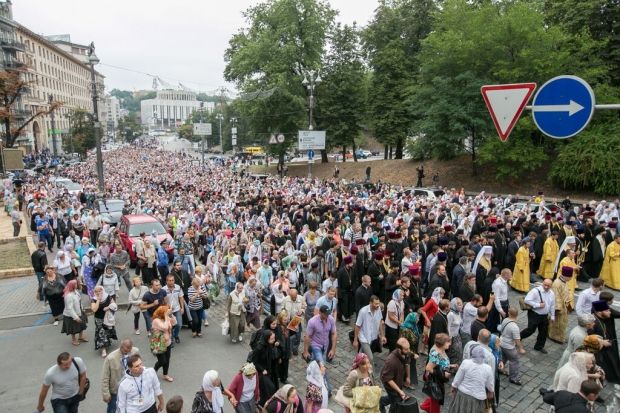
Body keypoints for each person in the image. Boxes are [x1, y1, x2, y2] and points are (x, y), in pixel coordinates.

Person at [448, 346, 494, 413]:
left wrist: (453, 387)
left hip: (462, 395)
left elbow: (458, 378)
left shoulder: (466, 362)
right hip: (477, 398)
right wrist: (491, 392)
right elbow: (490, 385)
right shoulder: (488, 368)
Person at [303, 305, 337, 393]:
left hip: (325, 346)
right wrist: (305, 351)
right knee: (322, 366)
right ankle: (328, 389)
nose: (327, 316)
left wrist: (333, 349)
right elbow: (307, 336)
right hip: (316, 346)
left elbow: (334, 334)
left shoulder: (331, 319)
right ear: (320, 313)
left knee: (316, 362)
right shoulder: (312, 322)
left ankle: (311, 373)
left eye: (328, 314)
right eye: (325, 314)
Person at [101, 338, 140, 413]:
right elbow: (105, 377)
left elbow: (139, 366)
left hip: (132, 388)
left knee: (133, 407)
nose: (127, 352)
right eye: (125, 350)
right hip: (116, 392)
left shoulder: (135, 352)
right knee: (113, 409)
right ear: (121, 346)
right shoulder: (110, 358)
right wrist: (105, 394)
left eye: (129, 350)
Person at [420, 333, 453, 413]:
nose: (450, 344)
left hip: (438, 379)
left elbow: (440, 363)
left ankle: (424, 406)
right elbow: (428, 368)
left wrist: (450, 365)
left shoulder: (439, 349)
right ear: (442, 344)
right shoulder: (437, 354)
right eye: (448, 342)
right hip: (435, 380)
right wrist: (443, 374)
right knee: (436, 398)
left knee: (434, 397)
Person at [520, 278, 555, 354]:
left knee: (543, 332)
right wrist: (538, 305)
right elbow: (527, 300)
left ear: (551, 286)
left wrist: (552, 316)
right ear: (542, 283)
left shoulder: (552, 293)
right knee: (530, 330)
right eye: (545, 285)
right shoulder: (535, 291)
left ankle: (539, 346)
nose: (546, 287)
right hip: (534, 314)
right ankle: (518, 337)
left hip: (544, 315)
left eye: (548, 286)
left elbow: (552, 305)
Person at [589, 299, 620, 383]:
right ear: (599, 312)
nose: (610, 312)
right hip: (599, 351)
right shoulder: (594, 323)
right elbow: (589, 340)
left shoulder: (602, 317)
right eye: (607, 311)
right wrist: (602, 343)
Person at [379, 337, 411, 413]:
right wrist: (400, 391)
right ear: (399, 349)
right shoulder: (391, 361)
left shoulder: (406, 352)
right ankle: (381, 403)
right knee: (396, 401)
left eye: (409, 348)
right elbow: (388, 379)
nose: (409, 351)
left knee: (394, 398)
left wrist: (408, 377)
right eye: (406, 349)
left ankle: (380, 401)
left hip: (398, 379)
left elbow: (407, 363)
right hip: (389, 383)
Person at [353, 295, 386, 366]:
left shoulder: (379, 309)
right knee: (370, 358)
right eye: (376, 304)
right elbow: (357, 325)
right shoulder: (363, 311)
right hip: (364, 337)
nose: (377, 305)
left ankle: (356, 364)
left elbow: (380, 322)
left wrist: (382, 335)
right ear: (370, 303)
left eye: (378, 303)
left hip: (372, 337)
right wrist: (355, 340)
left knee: (362, 353)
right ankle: (371, 374)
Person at [250, 329, 279, 405]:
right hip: (260, 373)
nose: (274, 340)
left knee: (267, 389)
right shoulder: (259, 348)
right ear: (266, 338)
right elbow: (254, 362)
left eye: (274, 338)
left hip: (268, 371)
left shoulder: (268, 345)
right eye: (272, 338)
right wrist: (262, 369)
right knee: (268, 389)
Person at [498, 307, 525, 385]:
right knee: (514, 361)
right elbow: (517, 340)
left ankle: (500, 369)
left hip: (501, 342)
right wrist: (520, 348)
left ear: (509, 313)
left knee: (503, 357)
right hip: (509, 346)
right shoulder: (514, 327)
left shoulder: (505, 320)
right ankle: (514, 378)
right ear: (517, 315)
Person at [91, 285, 118, 358]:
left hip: (108, 318)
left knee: (107, 331)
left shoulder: (108, 297)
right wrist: (98, 300)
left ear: (102, 290)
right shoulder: (94, 299)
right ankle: (103, 349)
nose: (98, 292)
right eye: (96, 291)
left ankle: (107, 341)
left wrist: (108, 307)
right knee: (101, 333)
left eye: (99, 290)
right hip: (99, 319)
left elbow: (114, 305)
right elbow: (94, 309)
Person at [548, 266, 573, 343]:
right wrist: (558, 309)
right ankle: (554, 337)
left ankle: (560, 336)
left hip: (564, 307)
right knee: (557, 324)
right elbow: (556, 297)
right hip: (559, 309)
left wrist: (569, 307)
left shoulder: (564, 282)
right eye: (570, 277)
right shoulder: (557, 283)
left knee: (562, 324)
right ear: (567, 276)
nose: (571, 278)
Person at [151, 305, 176, 382]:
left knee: (167, 360)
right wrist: (166, 316)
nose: (168, 312)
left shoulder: (166, 318)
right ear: (162, 313)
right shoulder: (156, 321)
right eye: (166, 311)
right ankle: (153, 371)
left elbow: (174, 323)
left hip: (167, 343)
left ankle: (165, 375)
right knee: (162, 361)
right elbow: (165, 327)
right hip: (159, 344)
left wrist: (171, 315)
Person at [61, 279, 88, 346]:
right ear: (72, 286)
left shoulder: (75, 291)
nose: (78, 285)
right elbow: (69, 308)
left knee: (81, 325)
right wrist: (75, 317)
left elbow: (79, 301)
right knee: (73, 328)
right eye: (76, 284)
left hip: (79, 311)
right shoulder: (69, 296)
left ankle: (80, 337)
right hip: (71, 315)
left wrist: (82, 309)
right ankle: (73, 339)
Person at [164, 274, 185, 343]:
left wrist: (182, 308)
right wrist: (168, 307)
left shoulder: (178, 287)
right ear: (166, 281)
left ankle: (176, 335)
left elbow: (181, 297)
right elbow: (162, 301)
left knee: (179, 324)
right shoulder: (163, 290)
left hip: (177, 309)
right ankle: (171, 339)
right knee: (170, 326)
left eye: (172, 280)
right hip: (168, 311)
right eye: (169, 280)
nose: (171, 282)